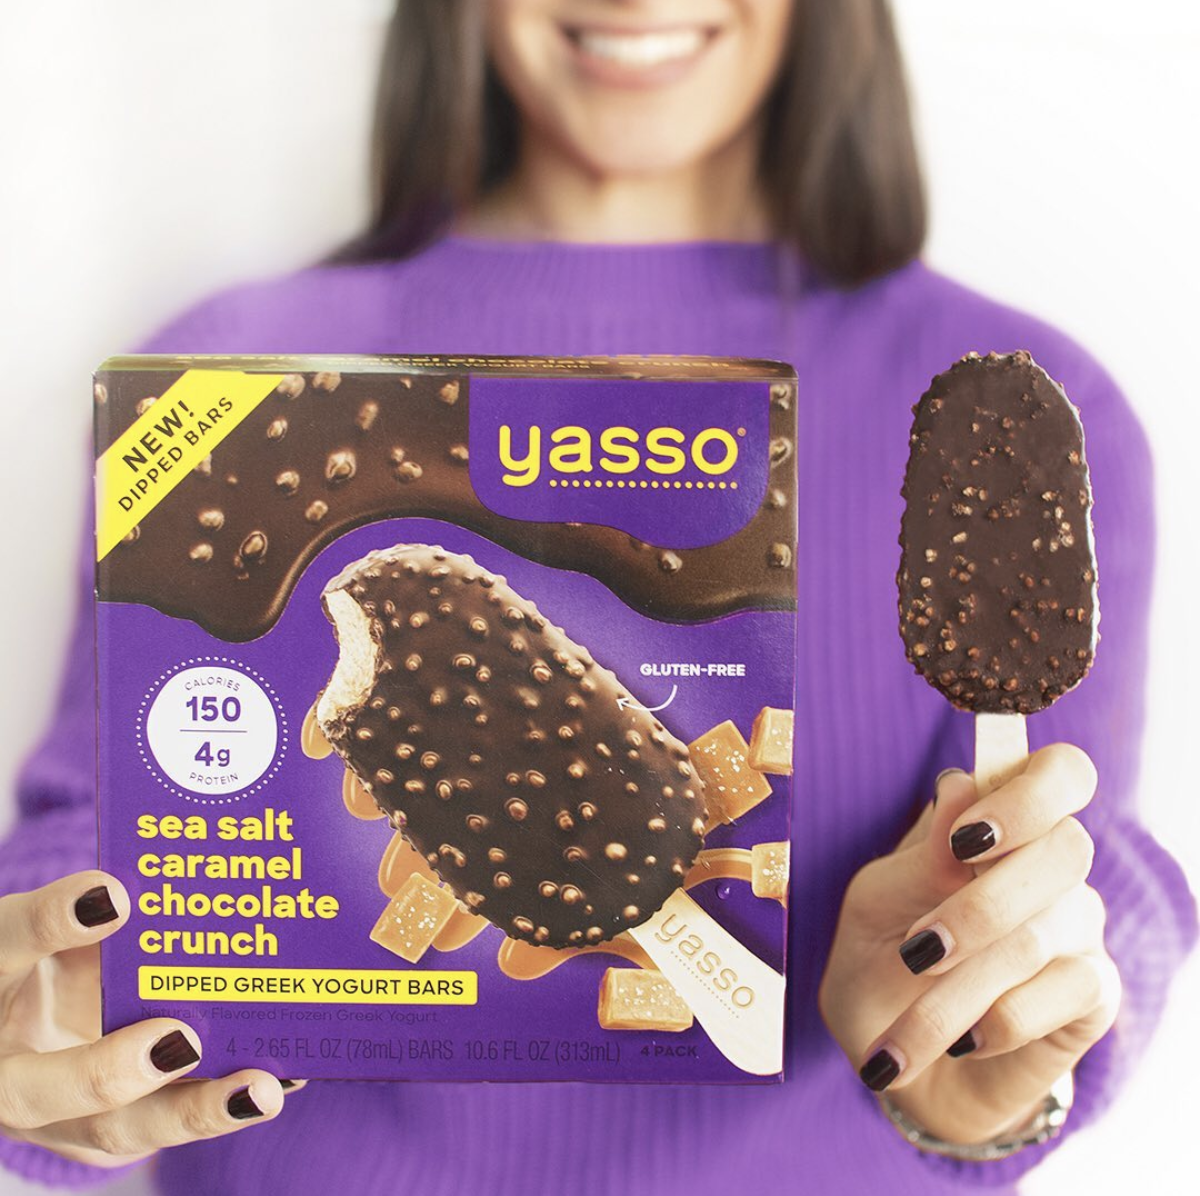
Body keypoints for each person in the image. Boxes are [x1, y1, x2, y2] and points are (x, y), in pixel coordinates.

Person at [1, 1, 1195, 1193]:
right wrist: (43, 1026)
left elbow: (1081, 855)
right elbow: (94, 828)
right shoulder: (224, 382)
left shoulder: (1003, 412)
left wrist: (998, 1047)